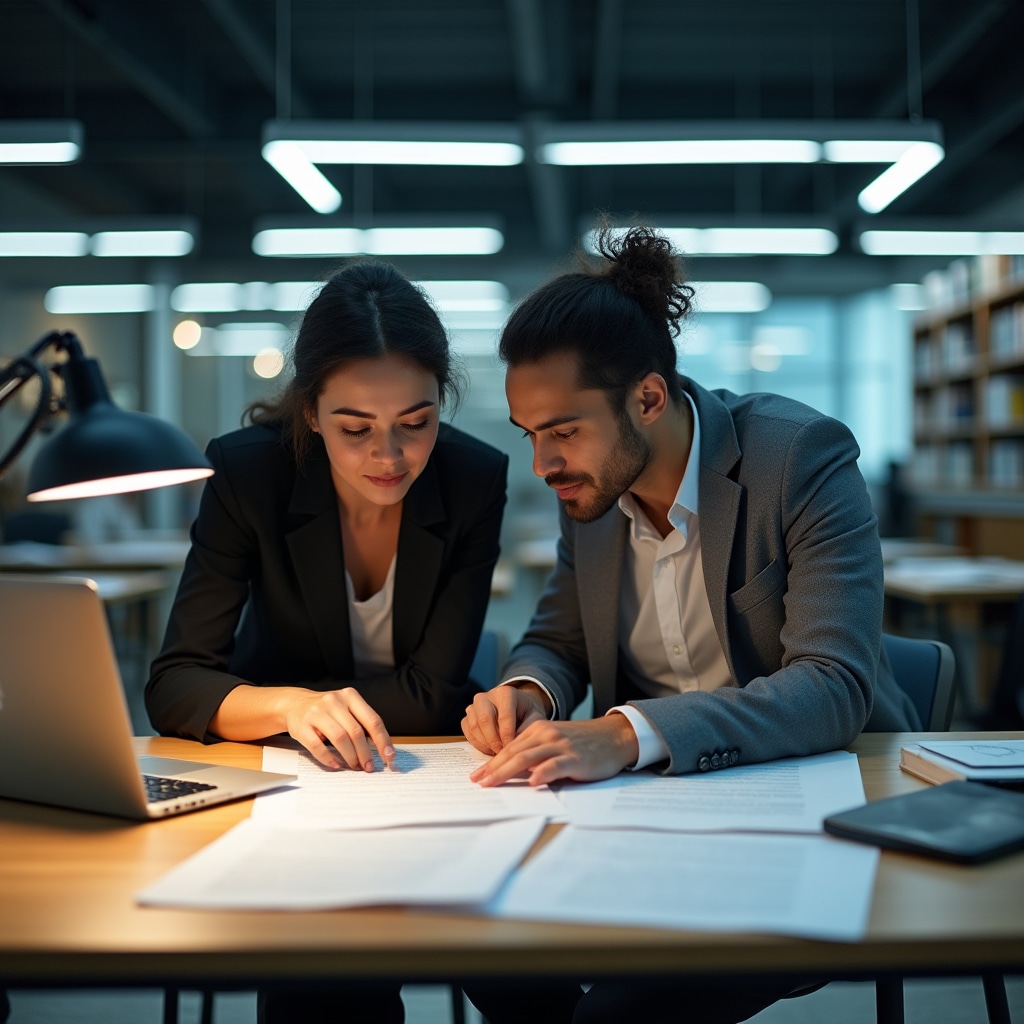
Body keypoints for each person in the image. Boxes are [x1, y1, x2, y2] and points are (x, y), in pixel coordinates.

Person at [460, 225, 918, 1024]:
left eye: (563, 430)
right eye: (529, 435)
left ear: (647, 398)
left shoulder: (799, 457)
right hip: (645, 821)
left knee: (615, 1015)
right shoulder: (592, 493)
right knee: (481, 947)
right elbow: (559, 638)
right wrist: (528, 688)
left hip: (803, 815)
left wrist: (628, 731)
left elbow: (834, 685)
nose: (544, 465)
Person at [146, 260, 508, 1024]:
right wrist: (293, 705)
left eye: (417, 421)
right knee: (321, 979)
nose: (391, 456)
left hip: (429, 772)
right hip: (290, 783)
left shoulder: (474, 479)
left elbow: (434, 692)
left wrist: (249, 706)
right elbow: (176, 682)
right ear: (310, 413)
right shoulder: (251, 475)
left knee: (518, 965)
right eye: (356, 429)